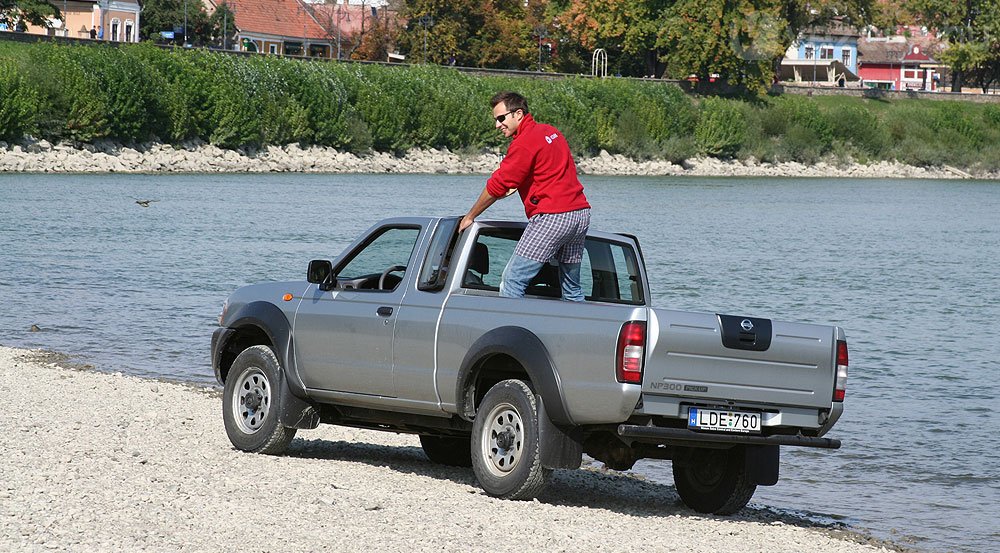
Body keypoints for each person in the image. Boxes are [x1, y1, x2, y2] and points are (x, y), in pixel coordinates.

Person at [459, 91, 591, 301]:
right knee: (571, 288)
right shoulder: (551, 131)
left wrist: (470, 216)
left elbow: (498, 185)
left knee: (512, 282)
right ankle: (584, 331)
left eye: (501, 118)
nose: (497, 125)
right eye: (495, 120)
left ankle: (509, 330)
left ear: (518, 114)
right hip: (580, 214)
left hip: (553, 217)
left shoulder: (524, 142)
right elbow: (550, 172)